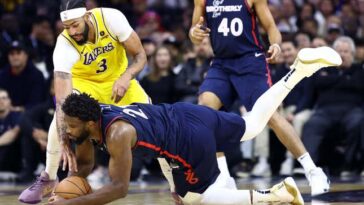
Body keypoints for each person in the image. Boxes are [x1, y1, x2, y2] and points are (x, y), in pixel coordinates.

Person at [48, 46, 341, 205]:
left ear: (88, 122)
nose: (68, 132)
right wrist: (63, 187)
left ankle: (276, 195)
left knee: (196, 199)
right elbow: (84, 164)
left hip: (187, 138)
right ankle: (297, 72)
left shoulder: (117, 134)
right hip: (188, 113)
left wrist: (70, 203)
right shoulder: (92, 113)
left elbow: (119, 189)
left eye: (71, 126)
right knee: (252, 124)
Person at [189, 0, 329, 195]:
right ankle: (223, 178)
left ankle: (313, 171)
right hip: (221, 63)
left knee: (269, 115)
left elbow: (271, 26)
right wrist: (193, 34)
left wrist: (276, 45)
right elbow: (195, 34)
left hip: (250, 62)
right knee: (206, 111)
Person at [19, 0, 150, 203]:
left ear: (87, 16)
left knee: (155, 123)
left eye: (75, 25)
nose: (72, 31)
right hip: (86, 85)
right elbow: (62, 101)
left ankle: (176, 183)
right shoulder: (64, 44)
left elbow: (140, 55)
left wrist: (127, 76)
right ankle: (49, 177)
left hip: (119, 78)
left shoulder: (111, 19)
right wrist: (64, 140)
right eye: (66, 27)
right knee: (59, 118)